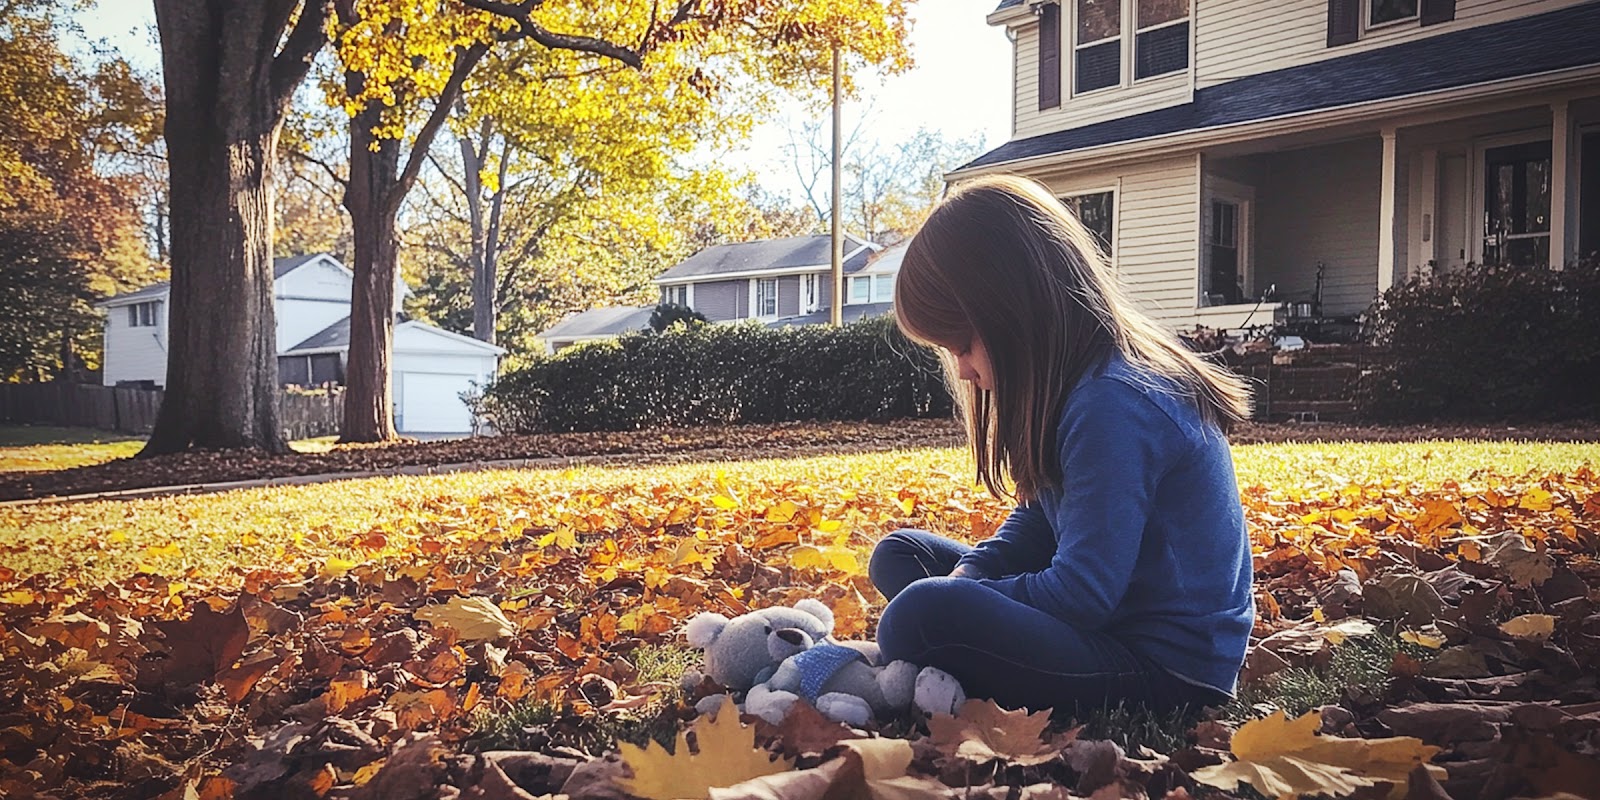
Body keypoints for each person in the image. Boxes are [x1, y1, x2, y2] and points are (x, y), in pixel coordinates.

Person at [870, 174, 1255, 713]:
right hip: (1112, 620)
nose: (961, 370)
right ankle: (950, 655)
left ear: (1014, 315)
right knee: (900, 556)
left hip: (1167, 670)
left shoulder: (1113, 403)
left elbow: (1082, 594)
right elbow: (1039, 521)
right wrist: (976, 572)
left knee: (920, 614)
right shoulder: (1082, 385)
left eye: (962, 344)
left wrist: (968, 598)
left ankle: (946, 655)